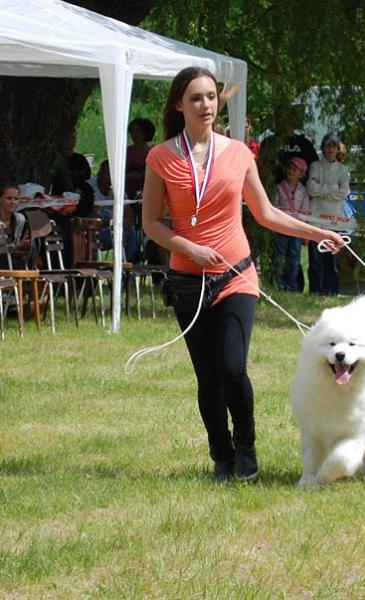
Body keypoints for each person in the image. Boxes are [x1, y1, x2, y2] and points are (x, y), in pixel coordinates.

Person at [141, 66, 344, 482]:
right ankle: (222, 455)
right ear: (179, 104)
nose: (206, 105)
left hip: (236, 275)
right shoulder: (161, 157)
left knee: (232, 367)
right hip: (187, 280)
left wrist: (318, 231)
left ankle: (246, 447)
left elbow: (267, 214)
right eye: (196, 98)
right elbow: (151, 223)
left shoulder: (237, 153)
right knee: (208, 376)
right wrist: (189, 247)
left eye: (212, 97)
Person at [307, 133, 350, 296]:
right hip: (316, 218)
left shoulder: (342, 169)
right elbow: (311, 189)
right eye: (328, 145)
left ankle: (331, 291)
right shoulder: (315, 166)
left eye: (333, 146)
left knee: (331, 260)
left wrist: (323, 189)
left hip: (335, 220)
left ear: (338, 149)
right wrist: (333, 188)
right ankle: (315, 291)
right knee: (315, 259)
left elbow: (344, 192)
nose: (330, 149)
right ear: (323, 147)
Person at [272, 156, 310, 291]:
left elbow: (305, 211)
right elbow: (274, 208)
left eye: (295, 169)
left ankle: (291, 286)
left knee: (294, 259)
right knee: (279, 258)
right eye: (289, 168)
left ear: (301, 173)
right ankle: (278, 285)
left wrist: (303, 230)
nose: (291, 171)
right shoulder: (279, 188)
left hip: (296, 230)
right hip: (281, 228)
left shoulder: (303, 191)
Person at [0, 182, 31, 265]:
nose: (13, 202)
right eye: (9, 198)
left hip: (14, 263)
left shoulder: (20, 219)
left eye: (16, 199)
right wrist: (17, 247)